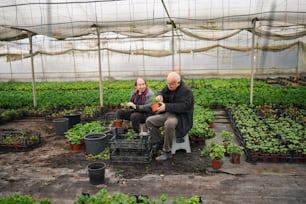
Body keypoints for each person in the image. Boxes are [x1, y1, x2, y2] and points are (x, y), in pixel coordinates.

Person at [146, 72, 194, 161]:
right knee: (150, 121)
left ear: (178, 83)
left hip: (181, 117)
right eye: (168, 83)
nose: (169, 86)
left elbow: (184, 106)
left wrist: (166, 106)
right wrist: (159, 95)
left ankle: (167, 151)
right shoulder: (169, 86)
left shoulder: (186, 91)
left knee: (169, 123)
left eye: (172, 84)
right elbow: (162, 91)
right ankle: (159, 142)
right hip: (169, 113)